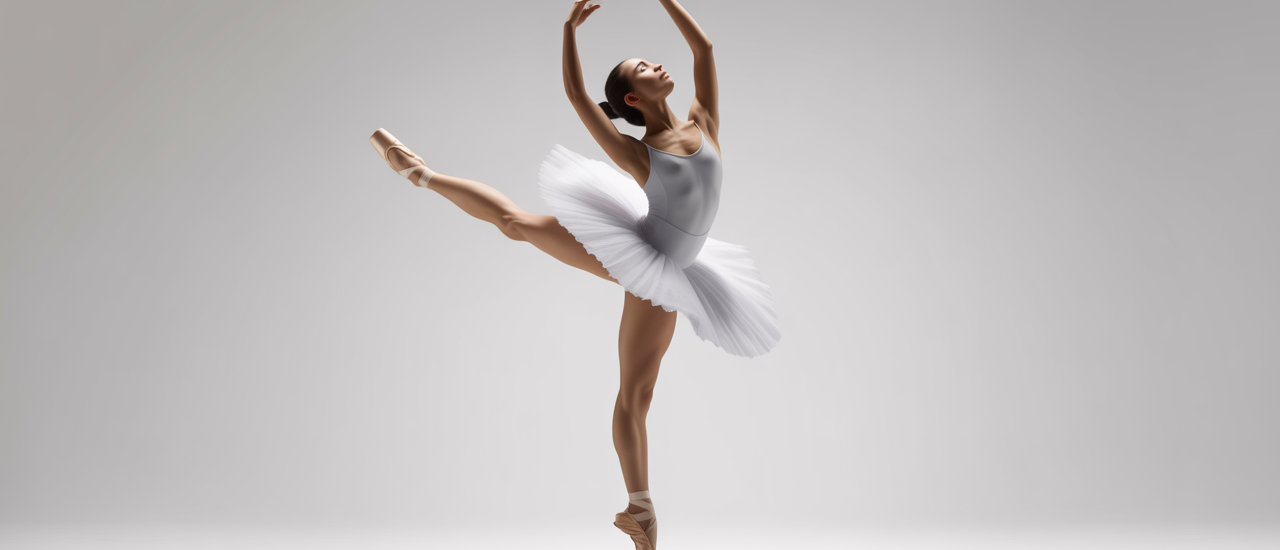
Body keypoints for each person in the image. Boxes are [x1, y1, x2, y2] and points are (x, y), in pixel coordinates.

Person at [369, 1, 780, 547]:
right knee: (517, 224)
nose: (657, 67)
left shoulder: (704, 121)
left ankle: (638, 512)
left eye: (652, 62)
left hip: (681, 264)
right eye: (643, 70)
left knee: (641, 393)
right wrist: (568, 31)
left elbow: (703, 49)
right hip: (647, 257)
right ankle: (421, 173)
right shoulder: (638, 154)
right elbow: (578, 97)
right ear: (633, 99)